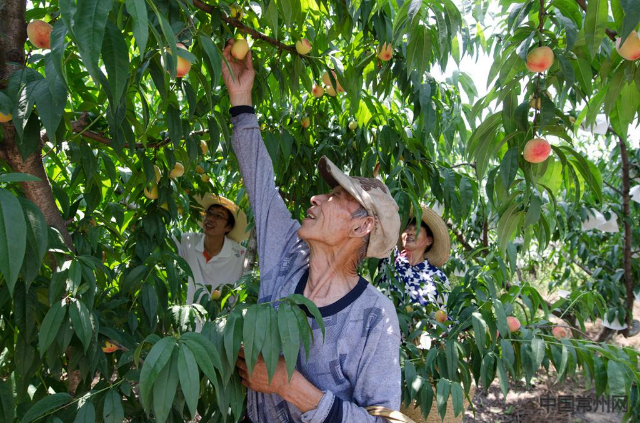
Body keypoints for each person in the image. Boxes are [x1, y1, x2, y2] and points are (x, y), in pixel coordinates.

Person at [222, 40, 402, 422]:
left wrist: (290, 386)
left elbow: (384, 420)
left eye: (336, 196)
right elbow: (261, 185)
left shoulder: (373, 316)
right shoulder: (287, 255)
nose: (318, 198)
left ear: (363, 225)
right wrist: (241, 101)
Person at [174, 194, 248, 305]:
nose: (210, 219)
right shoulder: (189, 241)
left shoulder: (241, 255)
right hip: (192, 320)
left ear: (228, 227)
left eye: (218, 216)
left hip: (224, 320)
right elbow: (163, 243)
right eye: (209, 213)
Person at [379, 205, 451, 307]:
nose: (410, 233)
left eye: (416, 229)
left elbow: (443, 314)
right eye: (407, 229)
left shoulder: (438, 277)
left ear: (429, 240)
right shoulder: (389, 260)